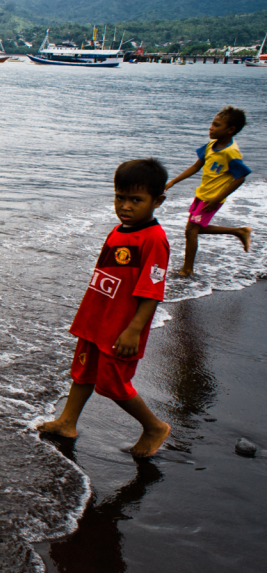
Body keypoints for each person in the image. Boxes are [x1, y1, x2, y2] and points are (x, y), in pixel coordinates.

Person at [39, 159, 172, 458]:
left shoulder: (153, 240)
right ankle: (67, 422)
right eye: (120, 197)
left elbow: (152, 291)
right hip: (96, 319)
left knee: (112, 383)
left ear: (158, 201)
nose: (125, 206)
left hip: (122, 326)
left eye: (136, 200)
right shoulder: (119, 230)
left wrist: (133, 330)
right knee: (83, 371)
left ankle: (153, 427)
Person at [164, 106, 252, 276]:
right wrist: (174, 181)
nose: (211, 128)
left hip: (212, 198)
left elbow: (240, 178)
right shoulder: (211, 145)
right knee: (193, 229)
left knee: (191, 231)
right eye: (212, 123)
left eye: (216, 125)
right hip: (202, 194)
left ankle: (187, 269)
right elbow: (196, 166)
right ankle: (239, 231)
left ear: (230, 130)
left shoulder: (231, 153)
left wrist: (218, 198)